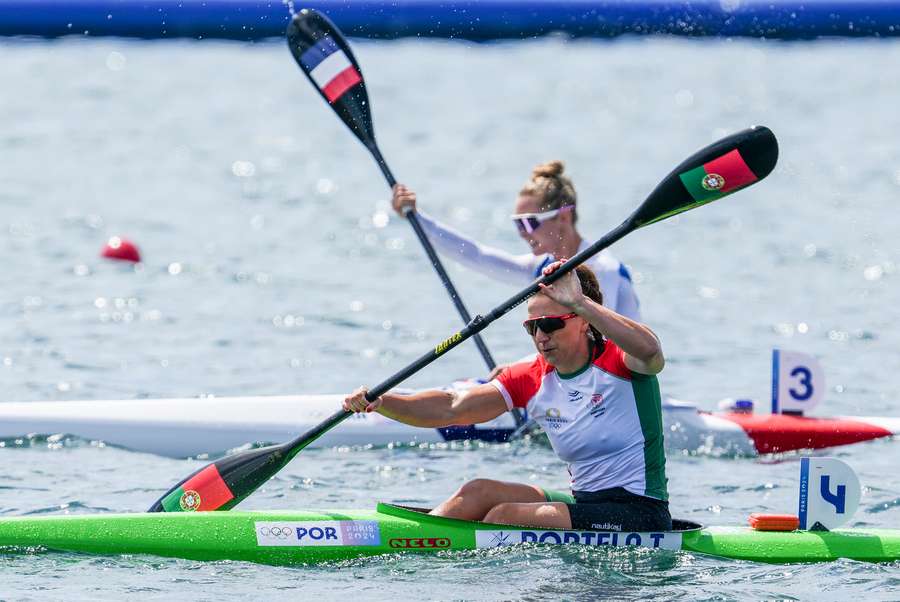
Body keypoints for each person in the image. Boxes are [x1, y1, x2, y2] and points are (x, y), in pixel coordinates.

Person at [343, 261, 670, 532]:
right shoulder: (533, 375)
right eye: (532, 327)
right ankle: (415, 542)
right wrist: (383, 401)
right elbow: (451, 408)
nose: (541, 336)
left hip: (639, 511)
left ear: (584, 321)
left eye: (551, 324)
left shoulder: (621, 360)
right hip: (585, 503)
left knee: (505, 517)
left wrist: (580, 301)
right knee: (478, 492)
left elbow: (652, 352)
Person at [392, 160, 641, 322]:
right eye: (517, 223)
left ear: (563, 216)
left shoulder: (604, 270)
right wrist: (416, 217)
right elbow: (476, 255)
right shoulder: (539, 269)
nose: (522, 233)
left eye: (529, 222)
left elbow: (601, 349)